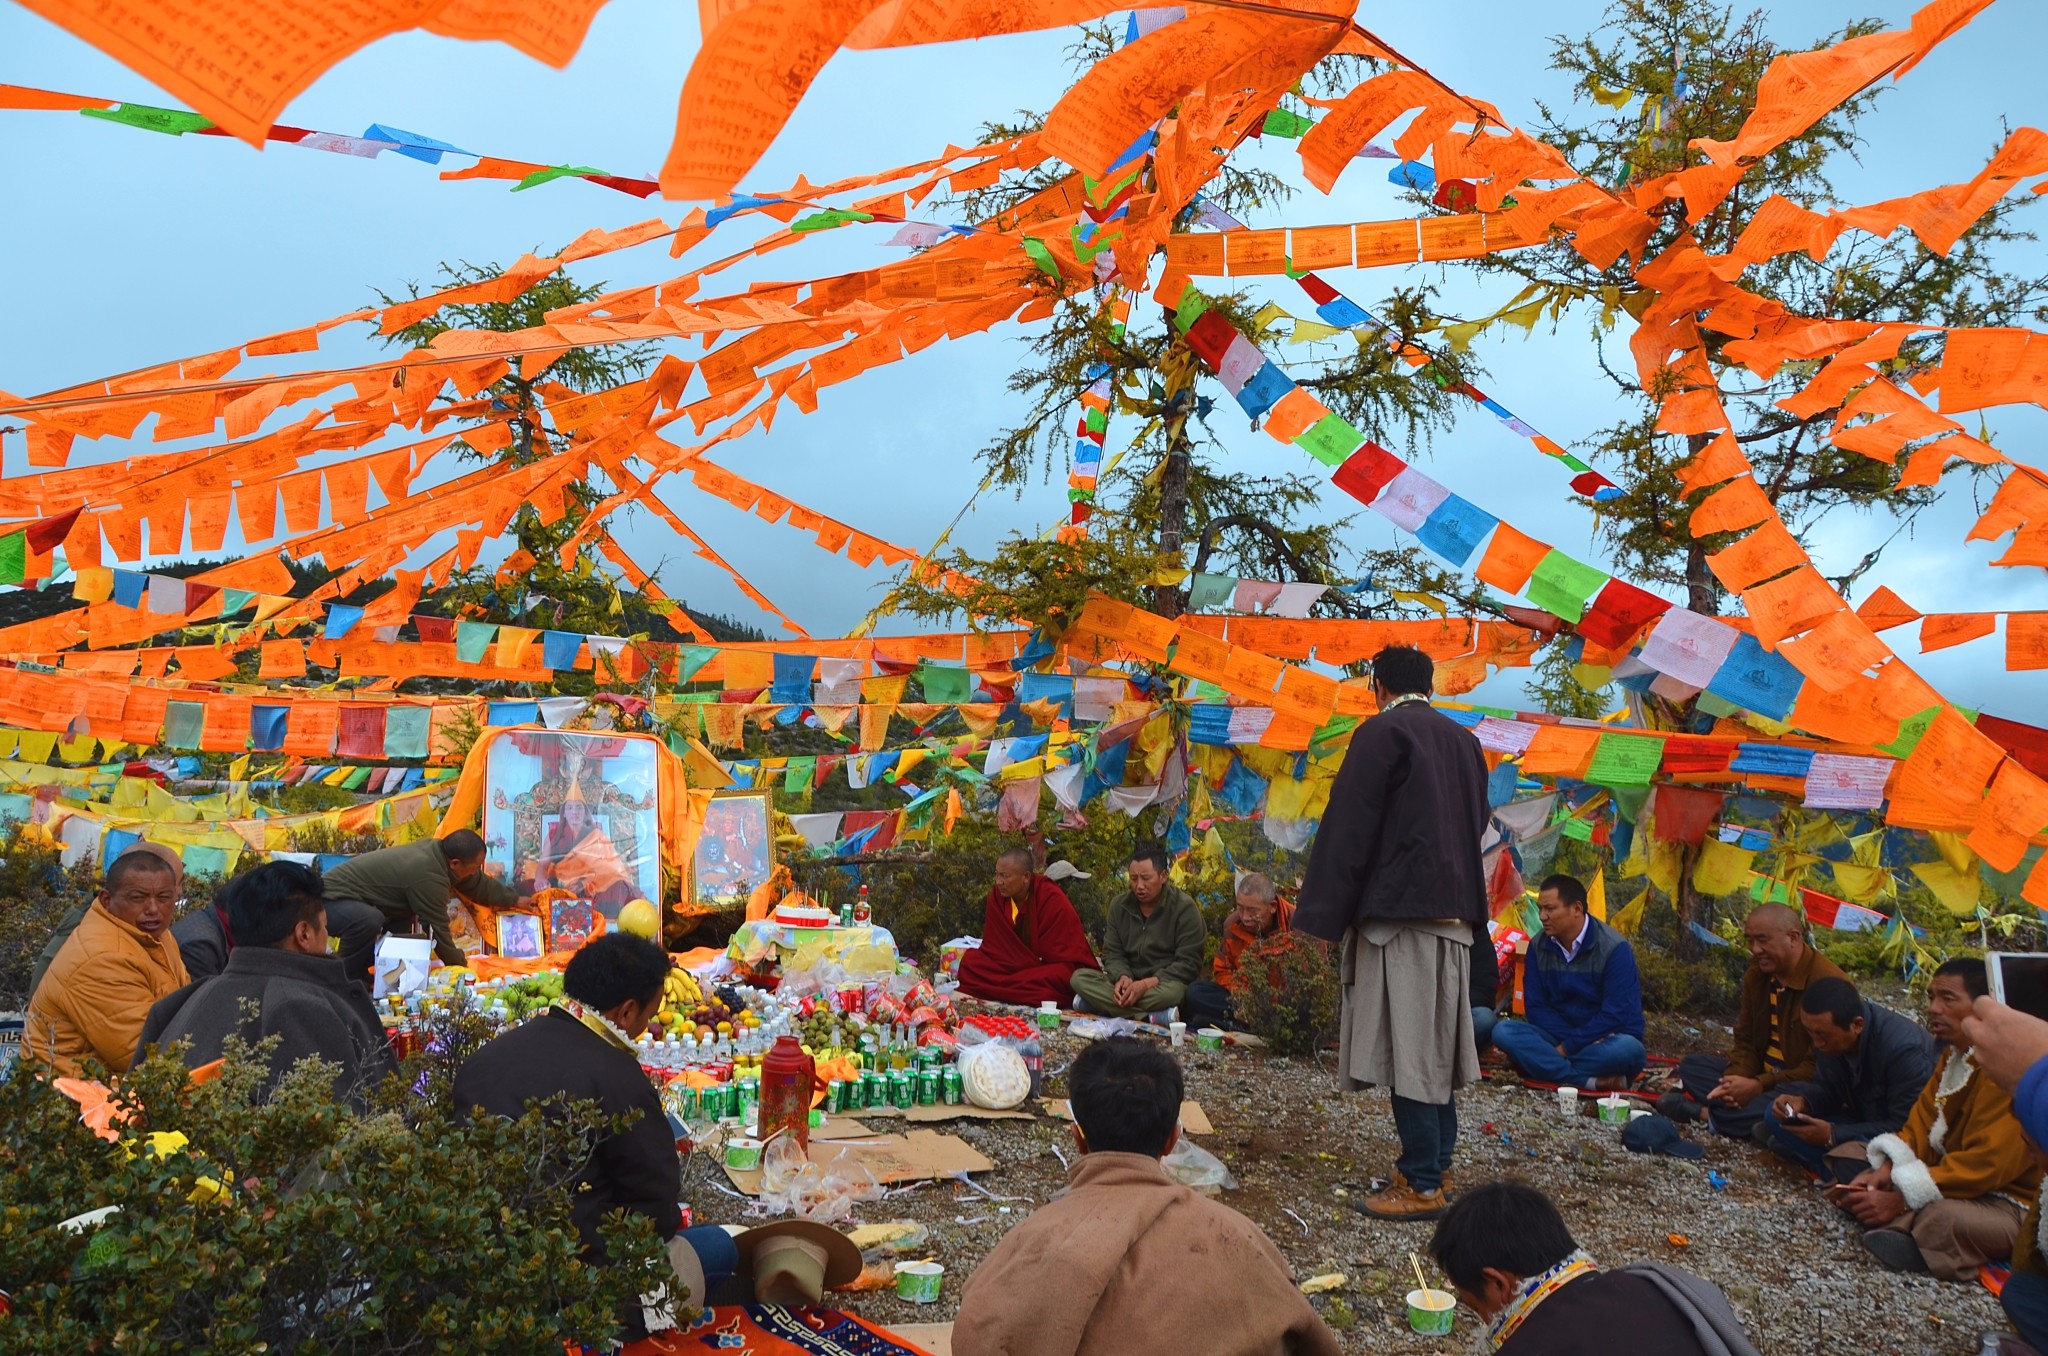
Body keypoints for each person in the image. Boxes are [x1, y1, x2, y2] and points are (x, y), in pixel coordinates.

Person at [953, 1036, 1340, 1356]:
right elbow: (1309, 1336)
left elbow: (974, 1333)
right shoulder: (1243, 1238)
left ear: (1078, 1138)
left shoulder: (1027, 1245)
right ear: (1172, 1139)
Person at [453, 932, 734, 1333]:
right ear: (626, 1011)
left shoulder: (487, 1058)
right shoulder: (618, 1076)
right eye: (649, 1014)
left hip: (477, 1271)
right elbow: (656, 1210)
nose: (645, 1027)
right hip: (577, 1294)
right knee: (719, 1246)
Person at [1296, 644, 1489, 1221]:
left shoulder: (1381, 733)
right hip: (1455, 922)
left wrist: (1322, 917)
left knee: (1411, 1055)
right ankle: (1436, 1167)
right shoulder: (1466, 743)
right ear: (1429, 686)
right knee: (1433, 1054)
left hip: (1401, 923)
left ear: (1377, 686)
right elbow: (1475, 824)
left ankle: (1423, 1183)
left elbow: (1349, 830)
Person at [1827, 959, 2040, 1279]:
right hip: (1948, 1173)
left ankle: (1906, 1225)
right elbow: (1919, 1126)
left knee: (1944, 1218)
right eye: (1931, 997)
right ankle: (1892, 1214)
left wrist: (1901, 1197)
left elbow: (1988, 1166)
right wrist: (1886, 1169)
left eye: (1948, 998)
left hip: (2007, 1199)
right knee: (1851, 1155)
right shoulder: (1954, 1056)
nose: (1934, 1008)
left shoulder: (2010, 1069)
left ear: (1986, 1006)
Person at [136, 861, 397, 1110]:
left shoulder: (185, 999)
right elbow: (340, 1123)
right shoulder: (300, 1008)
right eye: (325, 928)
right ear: (304, 934)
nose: (327, 938)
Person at [1427, 1180, 1761, 1355]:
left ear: (1498, 1283)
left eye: (1477, 1308)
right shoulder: (1656, 1285)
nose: (1485, 1322)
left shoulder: (1531, 1347)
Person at [1660, 903, 1845, 1138]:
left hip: (1799, 1083)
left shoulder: (1828, 984)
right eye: (1750, 940)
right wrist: (1735, 1082)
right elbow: (1746, 1038)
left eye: (1763, 940)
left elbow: (1819, 1066)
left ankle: (1706, 1115)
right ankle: (1758, 1120)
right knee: (1692, 1066)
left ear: (1793, 938)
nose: (1755, 949)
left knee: (1798, 1099)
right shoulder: (1758, 974)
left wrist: (1758, 1084)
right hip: (1761, 1075)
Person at [24, 850, 190, 1078]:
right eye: (138, 898)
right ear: (106, 900)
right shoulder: (102, 958)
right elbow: (144, 1056)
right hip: (72, 1091)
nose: (153, 909)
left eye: (164, 898)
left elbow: (187, 1005)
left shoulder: (157, 935)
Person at [1760, 976, 1936, 1180]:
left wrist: (1832, 1135)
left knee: (1860, 1164)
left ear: (1857, 1025)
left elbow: (1905, 1128)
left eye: (1822, 1035)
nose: (1817, 1043)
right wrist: (1803, 1103)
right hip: (1862, 1120)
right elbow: (1828, 1089)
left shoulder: (1905, 1052)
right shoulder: (1829, 1038)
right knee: (1773, 1115)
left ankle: (1823, 1165)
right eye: (1810, 1032)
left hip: (1903, 1141)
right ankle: (1824, 1161)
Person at [1490, 875, 1646, 1090]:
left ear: (1576, 909)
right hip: (1558, 1036)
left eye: (1550, 909)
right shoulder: (1538, 947)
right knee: (1503, 1031)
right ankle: (1586, 1081)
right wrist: (1567, 1042)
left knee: (1629, 1049)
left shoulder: (1614, 948)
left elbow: (1615, 1014)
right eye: (1541, 909)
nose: (1542, 916)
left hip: (1604, 1039)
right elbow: (1535, 1007)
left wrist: (1567, 1048)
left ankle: (1541, 1065)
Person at [321, 830, 531, 972]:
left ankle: (373, 974)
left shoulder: (441, 856)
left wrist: (514, 900)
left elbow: (477, 883)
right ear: (455, 863)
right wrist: (461, 968)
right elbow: (437, 928)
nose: (476, 871)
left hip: (359, 901)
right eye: (475, 867)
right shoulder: (429, 876)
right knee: (369, 919)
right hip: (328, 902)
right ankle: (340, 978)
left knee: (401, 925)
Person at [28, 842, 184, 1001]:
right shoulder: (98, 951)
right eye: (177, 883)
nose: (180, 891)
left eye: (165, 894)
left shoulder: (151, 931)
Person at [1069, 844, 1206, 1021]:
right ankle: (1151, 1016)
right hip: (1130, 980)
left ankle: (1101, 1005)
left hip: (1162, 984)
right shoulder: (1119, 906)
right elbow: (1112, 953)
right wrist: (1122, 977)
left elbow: (1189, 964)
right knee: (1079, 979)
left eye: (1146, 878)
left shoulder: (1184, 909)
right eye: (1133, 879)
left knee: (1174, 993)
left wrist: (1146, 984)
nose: (1139, 886)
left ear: (1163, 876)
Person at [956, 847, 1101, 1006]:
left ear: (1026, 877)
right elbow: (994, 947)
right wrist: (1016, 966)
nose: (998, 882)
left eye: (1005, 876)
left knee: (1062, 976)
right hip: (1009, 967)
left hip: (1041, 967)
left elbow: (1065, 953)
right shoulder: (996, 897)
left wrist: (1028, 967)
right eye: (997, 874)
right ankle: (1014, 989)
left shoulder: (1050, 897)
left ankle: (1003, 988)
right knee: (970, 963)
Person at [1183, 872, 1294, 1032]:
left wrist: (1269, 1002)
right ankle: (1247, 1025)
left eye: (1252, 911)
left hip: (1282, 1006)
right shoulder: (1232, 924)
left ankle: (1241, 1025)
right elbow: (1222, 970)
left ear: (1272, 907)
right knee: (1195, 992)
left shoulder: (1300, 926)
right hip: (1243, 1001)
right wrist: (1240, 993)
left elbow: (1311, 983)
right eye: (1240, 908)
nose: (1245, 917)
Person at [1470, 921, 1503, 1055]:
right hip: (1420, 1013)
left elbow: (1484, 984)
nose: (1543, 916)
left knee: (1485, 1020)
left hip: (1459, 1011)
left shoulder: (1474, 928)